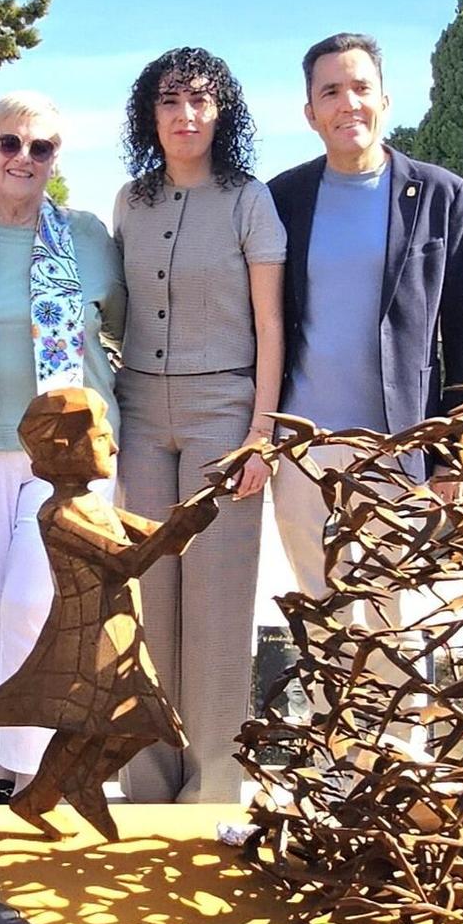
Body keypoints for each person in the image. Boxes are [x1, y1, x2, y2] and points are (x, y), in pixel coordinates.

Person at [0, 93, 125, 798]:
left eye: (41, 147)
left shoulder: (89, 237)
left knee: (32, 602)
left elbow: (121, 324)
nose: (24, 158)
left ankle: (29, 772)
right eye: (9, 143)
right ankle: (12, 766)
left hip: (67, 451)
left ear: (56, 159)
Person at [110, 48, 285, 805]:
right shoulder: (130, 201)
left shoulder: (249, 200)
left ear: (222, 112)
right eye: (170, 100)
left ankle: (213, 787)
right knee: (147, 602)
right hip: (142, 414)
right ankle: (147, 783)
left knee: (217, 606)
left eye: (201, 101)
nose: (186, 115)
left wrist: (262, 437)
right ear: (149, 115)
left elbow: (271, 326)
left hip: (224, 415)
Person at [267, 33, 463, 592]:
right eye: (331, 92)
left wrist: (454, 454)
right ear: (310, 112)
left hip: (401, 444)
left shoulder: (441, 195)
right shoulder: (282, 198)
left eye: (361, 88)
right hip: (304, 450)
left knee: (395, 614)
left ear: (384, 101)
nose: (349, 103)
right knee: (320, 609)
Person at [0, 387, 218, 840]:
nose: (115, 447)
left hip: (120, 636)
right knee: (95, 723)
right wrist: (175, 531)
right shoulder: (58, 515)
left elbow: (162, 539)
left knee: (137, 724)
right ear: (64, 448)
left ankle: (61, 790)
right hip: (88, 640)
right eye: (103, 438)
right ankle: (49, 795)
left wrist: (190, 519)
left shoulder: (96, 505)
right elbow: (126, 562)